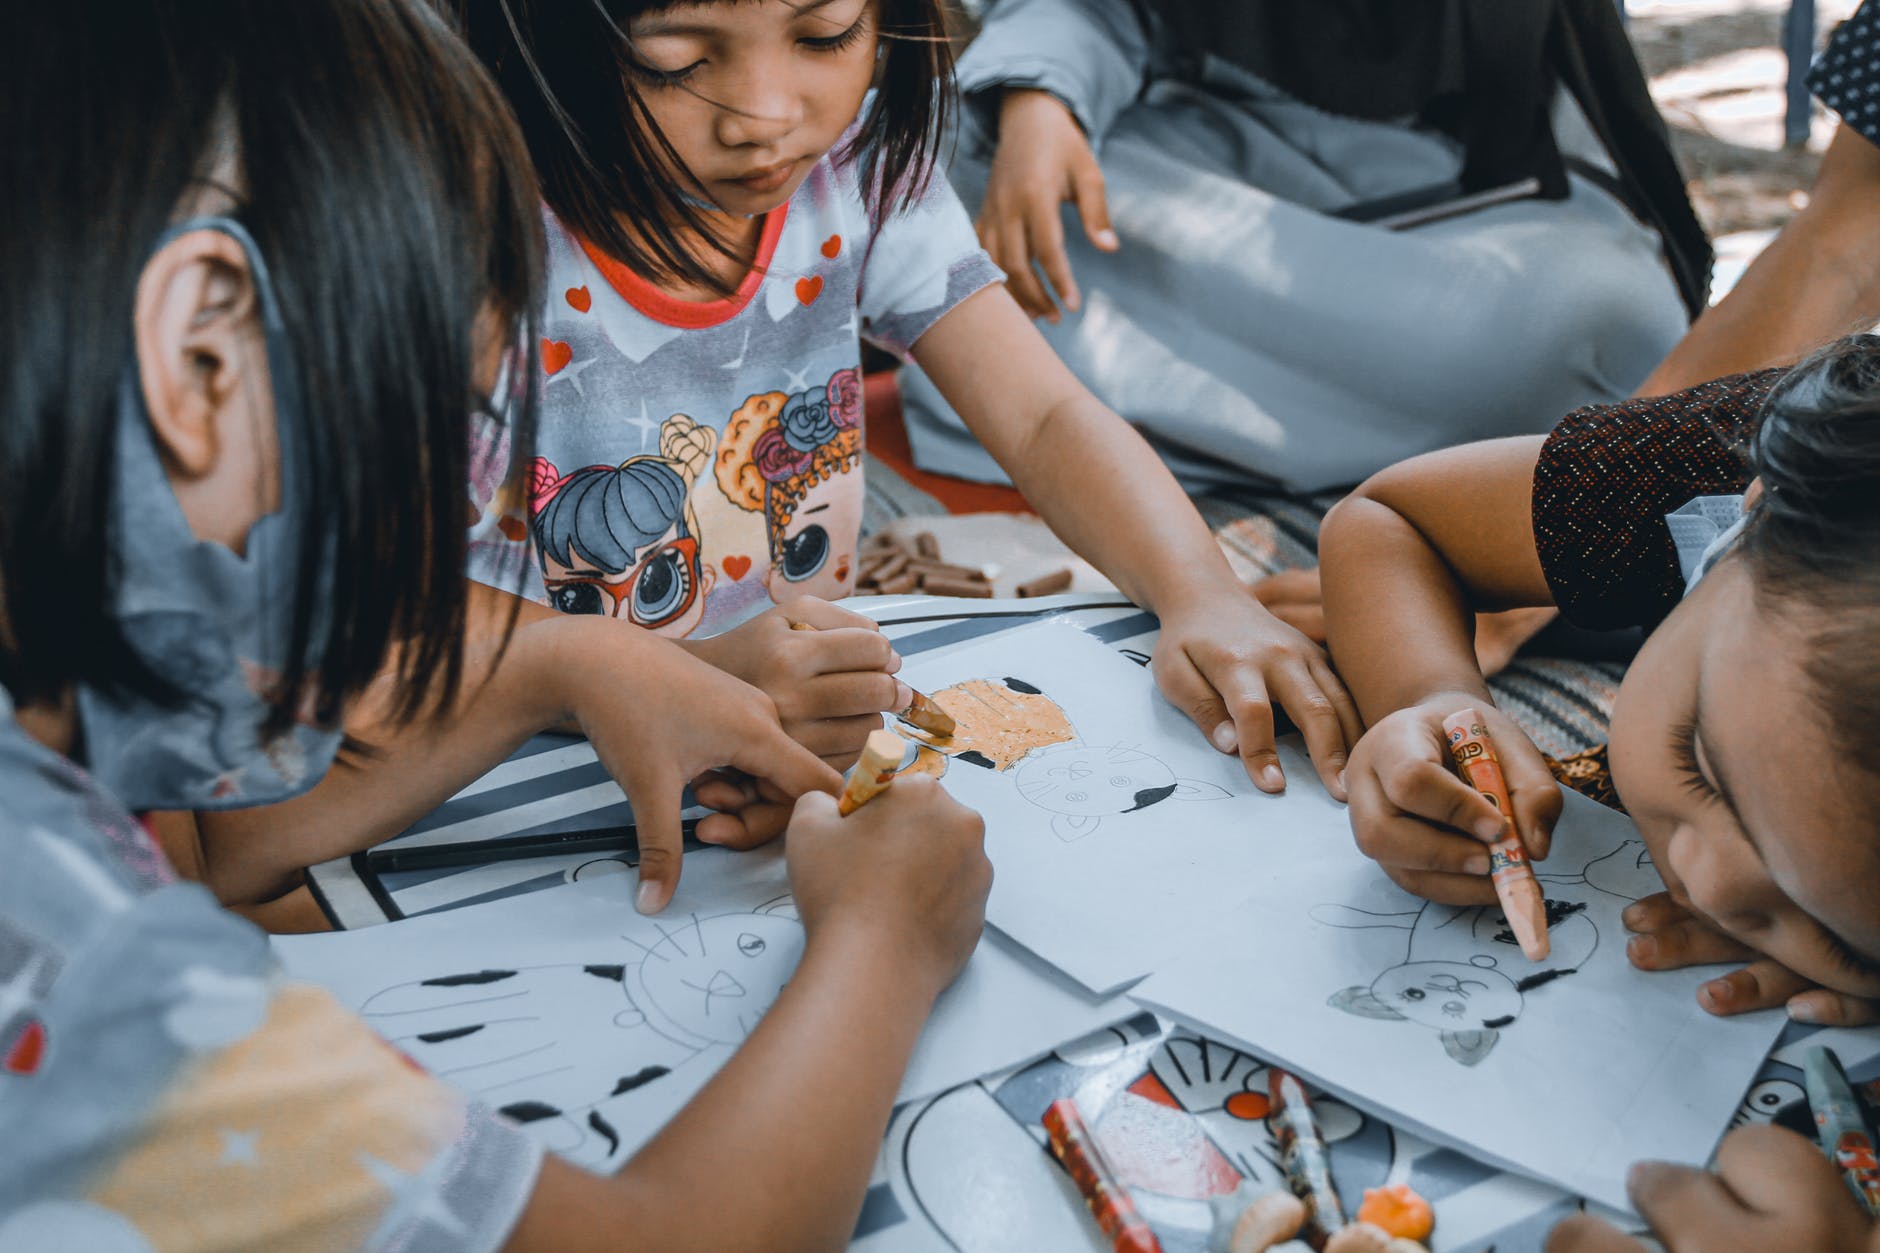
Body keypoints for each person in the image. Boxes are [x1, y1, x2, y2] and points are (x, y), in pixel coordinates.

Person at [0, 4, 992, 1248]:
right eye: (427, 429)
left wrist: (567, 661)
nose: (449, 528)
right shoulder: (73, 962)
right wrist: (886, 940)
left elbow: (220, 850)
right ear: (198, 355)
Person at [449, 0, 1363, 869]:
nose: (764, 116)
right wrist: (697, 675)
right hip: (510, 760)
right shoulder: (474, 236)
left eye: (826, 33)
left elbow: (1044, 416)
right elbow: (391, 621)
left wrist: (1200, 590)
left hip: (795, 731)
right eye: (675, 61)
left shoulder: (858, 165)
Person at [1317, 339, 1880, 1248]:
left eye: (1828, 919)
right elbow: (1389, 519)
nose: (1704, 879)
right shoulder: (1730, 458)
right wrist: (1432, 697)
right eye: (1699, 759)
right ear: (1749, 519)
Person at [895, 0, 1705, 496]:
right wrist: (1044, 101)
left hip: (1466, 214)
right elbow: (1110, 14)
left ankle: (1088, 413)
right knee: (944, 142)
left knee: (1599, 324)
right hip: (1218, 165)